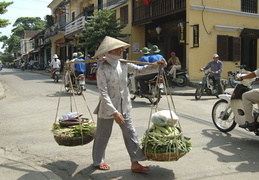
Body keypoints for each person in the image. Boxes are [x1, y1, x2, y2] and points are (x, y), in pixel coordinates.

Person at [92, 36, 167, 172]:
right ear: (109, 51)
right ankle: (98, 161)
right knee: (103, 134)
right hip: (108, 108)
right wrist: (114, 112)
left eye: (121, 48)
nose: (121, 49)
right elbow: (103, 93)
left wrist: (157, 66)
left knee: (130, 132)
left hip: (124, 105)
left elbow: (140, 70)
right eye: (117, 48)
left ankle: (135, 162)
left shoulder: (124, 64)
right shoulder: (102, 69)